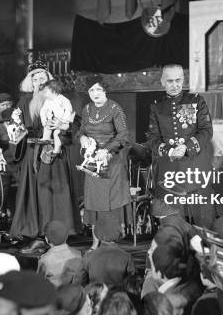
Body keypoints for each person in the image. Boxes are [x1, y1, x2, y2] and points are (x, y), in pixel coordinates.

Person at [8, 61, 79, 249]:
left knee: (50, 194)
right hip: (32, 153)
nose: (39, 82)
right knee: (35, 193)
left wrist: (62, 128)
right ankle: (36, 233)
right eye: (35, 78)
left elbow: (72, 124)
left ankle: (53, 234)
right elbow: (18, 130)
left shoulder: (58, 100)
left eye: (42, 78)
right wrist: (14, 129)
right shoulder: (23, 102)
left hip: (52, 154)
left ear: (48, 81)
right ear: (30, 82)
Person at [146, 64, 214, 227]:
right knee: (172, 222)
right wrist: (169, 151)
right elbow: (152, 138)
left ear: (183, 80)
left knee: (204, 219)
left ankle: (205, 252)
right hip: (170, 171)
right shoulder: (156, 106)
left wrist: (187, 147)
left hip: (196, 168)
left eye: (178, 80)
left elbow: (206, 130)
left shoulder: (196, 100)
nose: (175, 85)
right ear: (162, 81)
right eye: (170, 81)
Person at [77, 75, 131, 250]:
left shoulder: (115, 108)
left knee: (110, 202)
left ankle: (112, 239)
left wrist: (106, 150)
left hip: (112, 161)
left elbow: (123, 135)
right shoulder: (86, 109)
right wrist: (83, 138)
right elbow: (80, 131)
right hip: (92, 161)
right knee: (94, 202)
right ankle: (95, 241)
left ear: (105, 90)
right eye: (91, 90)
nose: (95, 93)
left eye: (98, 89)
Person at [72, 218, 135, 287]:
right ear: (118, 234)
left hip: (95, 295)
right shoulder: (126, 257)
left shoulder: (89, 256)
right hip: (117, 295)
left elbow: (77, 282)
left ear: (98, 234)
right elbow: (133, 284)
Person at [37, 220, 82, 286]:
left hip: (53, 293)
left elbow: (39, 281)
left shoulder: (44, 259)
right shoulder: (78, 254)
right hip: (72, 293)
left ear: (47, 239)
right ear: (67, 236)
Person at [40, 79, 75, 155]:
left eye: (46, 92)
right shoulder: (47, 101)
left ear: (54, 91)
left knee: (57, 133)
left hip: (62, 123)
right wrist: (44, 120)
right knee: (47, 127)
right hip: (52, 121)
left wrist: (64, 121)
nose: (44, 94)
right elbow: (43, 111)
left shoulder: (64, 100)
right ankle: (46, 139)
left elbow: (68, 111)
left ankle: (57, 150)